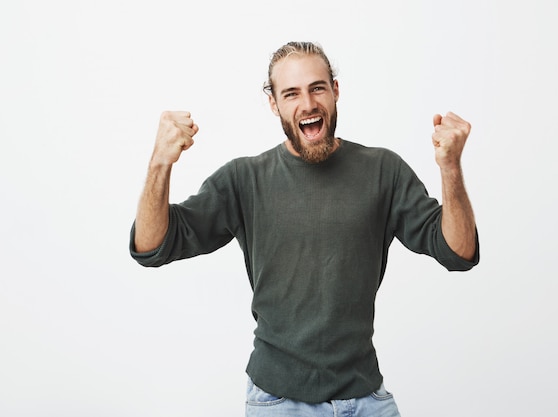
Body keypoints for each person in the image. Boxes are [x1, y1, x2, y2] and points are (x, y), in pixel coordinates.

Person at [130, 41, 479, 417]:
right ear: (274, 104)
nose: (308, 104)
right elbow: (153, 247)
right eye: (291, 93)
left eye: (317, 88)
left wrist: (450, 168)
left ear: (335, 91)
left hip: (365, 397)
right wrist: (159, 163)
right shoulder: (244, 179)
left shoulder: (384, 171)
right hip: (277, 401)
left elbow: (458, 253)